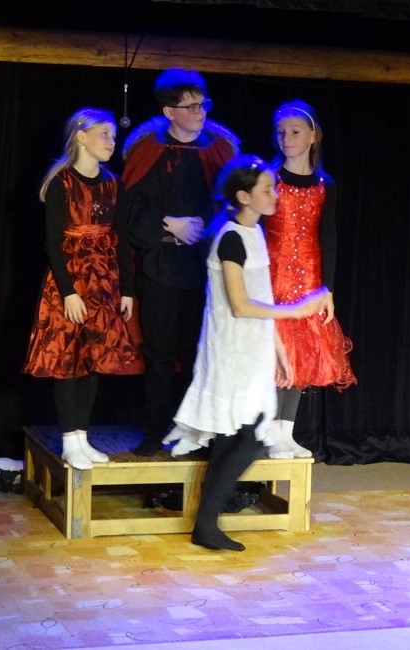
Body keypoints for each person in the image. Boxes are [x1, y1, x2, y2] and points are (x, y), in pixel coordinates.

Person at [164, 154, 325, 551]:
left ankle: (206, 524)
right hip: (231, 352)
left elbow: (260, 296)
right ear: (243, 196)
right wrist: (297, 311)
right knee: (248, 437)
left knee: (239, 438)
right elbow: (240, 304)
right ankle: (207, 523)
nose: (274, 195)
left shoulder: (254, 235)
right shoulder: (231, 238)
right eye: (266, 190)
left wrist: (279, 349)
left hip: (251, 350)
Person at [115, 68, 239, 457]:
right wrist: (170, 225)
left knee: (200, 352)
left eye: (203, 104)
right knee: (159, 355)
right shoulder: (148, 152)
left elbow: (233, 208)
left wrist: (208, 229)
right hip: (160, 270)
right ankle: (155, 431)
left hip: (207, 272)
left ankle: (195, 433)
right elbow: (128, 214)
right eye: (191, 106)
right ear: (169, 112)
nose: (201, 112)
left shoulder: (219, 152)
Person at [23, 108, 141, 470]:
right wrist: (69, 292)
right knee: (68, 360)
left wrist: (127, 290)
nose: (111, 141)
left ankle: (82, 436)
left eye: (113, 136)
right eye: (104, 134)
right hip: (71, 282)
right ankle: (69, 440)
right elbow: (53, 243)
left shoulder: (113, 184)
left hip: (103, 282)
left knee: (92, 359)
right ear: (81, 137)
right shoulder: (61, 183)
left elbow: (121, 239)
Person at [263, 100, 357, 460]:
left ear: (313, 136)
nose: (286, 138)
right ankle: (270, 432)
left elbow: (328, 235)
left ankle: (286, 433)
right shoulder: (269, 179)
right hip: (273, 278)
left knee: (301, 356)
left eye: (294, 132)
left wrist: (326, 288)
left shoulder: (324, 185)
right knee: (278, 355)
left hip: (308, 280)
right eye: (281, 132)